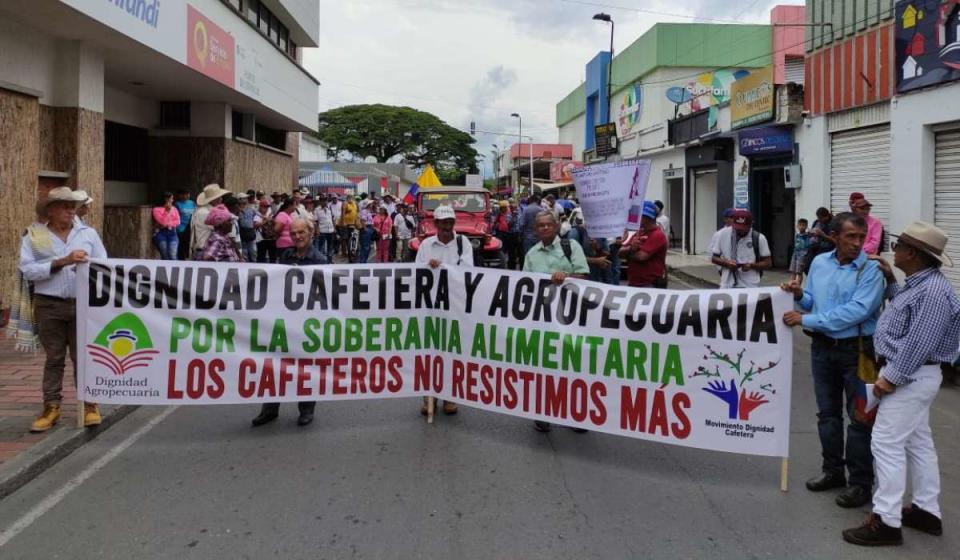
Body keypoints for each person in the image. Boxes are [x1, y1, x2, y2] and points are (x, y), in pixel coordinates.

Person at [842, 222, 960, 546]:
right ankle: (926, 511)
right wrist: (892, 281)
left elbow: (919, 343)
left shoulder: (933, 291)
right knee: (917, 443)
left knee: (886, 443)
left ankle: (886, 521)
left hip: (909, 376)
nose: (893, 251)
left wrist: (888, 380)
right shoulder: (921, 284)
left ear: (913, 253)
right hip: (913, 375)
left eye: (898, 246)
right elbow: (907, 315)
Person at [780, 212, 885, 509]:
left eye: (861, 238)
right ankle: (833, 471)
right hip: (822, 349)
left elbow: (857, 311)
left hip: (857, 351)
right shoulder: (820, 263)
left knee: (860, 419)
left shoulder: (870, 270)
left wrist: (807, 318)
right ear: (834, 236)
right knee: (827, 415)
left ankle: (861, 483)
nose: (857, 243)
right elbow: (812, 299)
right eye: (851, 237)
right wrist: (800, 294)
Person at [19, 187, 107, 431]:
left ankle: (90, 403)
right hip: (49, 304)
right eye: (64, 205)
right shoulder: (34, 236)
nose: (70, 210)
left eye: (73, 205)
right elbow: (28, 270)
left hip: (83, 304)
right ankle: (51, 407)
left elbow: (104, 266)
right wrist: (62, 262)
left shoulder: (88, 234)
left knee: (84, 357)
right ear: (50, 210)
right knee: (54, 358)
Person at [251, 218, 322, 428]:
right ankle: (270, 409)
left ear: (311, 233)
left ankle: (306, 410)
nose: (297, 237)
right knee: (274, 365)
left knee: (305, 366)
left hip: (306, 322)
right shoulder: (286, 255)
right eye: (293, 233)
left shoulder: (320, 259)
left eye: (301, 232)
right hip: (282, 320)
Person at [523, 211, 590, 433]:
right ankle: (543, 412)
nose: (544, 229)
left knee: (572, 365)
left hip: (570, 317)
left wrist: (566, 277)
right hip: (543, 318)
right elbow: (525, 285)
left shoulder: (571, 247)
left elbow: (584, 276)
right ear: (535, 230)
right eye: (539, 226)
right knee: (544, 367)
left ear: (555, 226)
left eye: (547, 225)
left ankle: (575, 415)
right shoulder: (531, 254)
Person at [415, 205, 473, 417]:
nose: (447, 226)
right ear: (436, 224)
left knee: (452, 351)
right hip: (431, 307)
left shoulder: (463, 243)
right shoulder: (426, 245)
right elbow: (416, 274)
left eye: (450, 222)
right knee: (430, 352)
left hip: (455, 307)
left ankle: (450, 396)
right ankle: (429, 396)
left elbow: (468, 272)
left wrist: (444, 270)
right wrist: (428, 267)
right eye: (443, 222)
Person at [709, 209, 772, 289]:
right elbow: (714, 258)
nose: (740, 231)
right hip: (727, 284)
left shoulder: (759, 238)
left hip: (750, 286)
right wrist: (726, 263)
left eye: (743, 228)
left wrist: (752, 265)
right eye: (737, 228)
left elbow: (768, 263)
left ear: (750, 225)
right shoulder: (723, 234)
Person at [619, 201, 668, 288]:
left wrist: (629, 253)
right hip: (634, 283)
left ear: (647, 217)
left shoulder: (657, 235)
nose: (637, 218)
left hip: (649, 285)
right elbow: (620, 253)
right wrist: (631, 248)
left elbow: (641, 257)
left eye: (640, 216)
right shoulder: (640, 232)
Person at [190, 183, 230, 259]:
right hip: (205, 251)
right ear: (214, 199)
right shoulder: (206, 213)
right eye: (219, 197)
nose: (221, 199)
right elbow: (222, 228)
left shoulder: (203, 211)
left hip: (207, 250)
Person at [151, 192, 180, 260]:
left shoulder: (174, 209)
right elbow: (162, 222)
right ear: (166, 199)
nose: (172, 200)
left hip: (172, 233)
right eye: (171, 198)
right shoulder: (156, 209)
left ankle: (175, 269)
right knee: (165, 255)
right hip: (160, 233)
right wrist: (166, 211)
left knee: (173, 254)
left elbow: (178, 221)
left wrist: (168, 224)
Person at [806, 207, 836, 273]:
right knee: (807, 267)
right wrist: (810, 233)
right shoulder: (817, 222)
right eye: (818, 217)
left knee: (822, 270)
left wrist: (823, 235)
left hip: (827, 250)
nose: (819, 220)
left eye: (820, 218)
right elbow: (812, 233)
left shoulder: (834, 223)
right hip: (814, 248)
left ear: (827, 216)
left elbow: (835, 241)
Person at [519, 194, 543, 265]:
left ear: (531, 200)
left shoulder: (526, 209)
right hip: (540, 237)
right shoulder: (541, 209)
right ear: (537, 200)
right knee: (539, 256)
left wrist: (520, 235)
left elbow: (521, 224)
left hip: (528, 237)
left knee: (528, 256)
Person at [313, 196, 336, 263]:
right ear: (320, 202)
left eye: (326, 200)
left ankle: (329, 260)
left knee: (330, 246)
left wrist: (334, 228)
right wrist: (317, 230)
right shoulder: (317, 210)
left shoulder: (329, 208)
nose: (325, 202)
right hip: (322, 230)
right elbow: (316, 221)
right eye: (323, 201)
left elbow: (333, 219)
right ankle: (321, 260)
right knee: (321, 246)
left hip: (330, 230)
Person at [174, 189, 196, 260]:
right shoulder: (177, 204)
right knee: (181, 247)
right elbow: (175, 216)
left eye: (187, 194)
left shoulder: (192, 203)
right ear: (179, 195)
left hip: (190, 228)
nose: (186, 196)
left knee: (189, 246)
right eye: (183, 194)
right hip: (181, 229)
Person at [255, 199, 278, 264]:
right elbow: (255, 225)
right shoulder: (257, 215)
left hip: (271, 238)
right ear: (260, 206)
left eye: (267, 207)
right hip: (261, 239)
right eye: (264, 207)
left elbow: (276, 222)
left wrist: (272, 220)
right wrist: (266, 220)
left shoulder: (270, 214)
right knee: (261, 257)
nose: (266, 208)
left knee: (273, 256)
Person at [237, 195, 258, 262]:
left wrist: (264, 218)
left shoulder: (251, 209)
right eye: (243, 199)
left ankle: (254, 264)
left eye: (245, 199)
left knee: (253, 251)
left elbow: (258, 214)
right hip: (242, 233)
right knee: (244, 252)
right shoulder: (237, 210)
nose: (245, 200)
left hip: (250, 232)